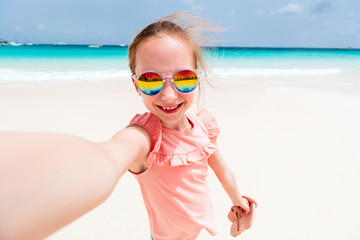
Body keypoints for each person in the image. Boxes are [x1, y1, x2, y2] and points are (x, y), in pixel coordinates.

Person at [0, 13, 256, 240]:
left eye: (183, 78)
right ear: (136, 86)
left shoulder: (203, 126)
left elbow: (223, 170)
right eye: (151, 81)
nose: (169, 95)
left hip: (196, 230)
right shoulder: (146, 136)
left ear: (196, 79)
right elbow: (109, 156)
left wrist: (238, 202)